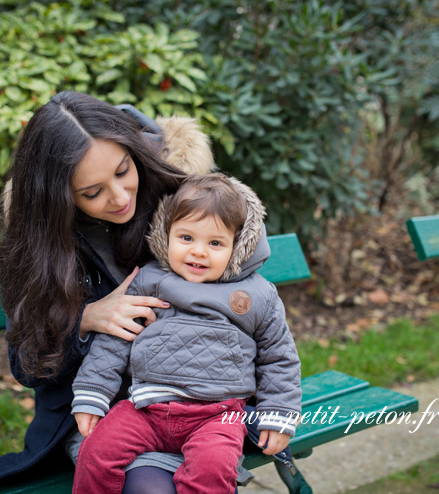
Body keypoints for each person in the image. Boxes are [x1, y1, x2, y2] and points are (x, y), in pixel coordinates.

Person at [0, 90, 216, 492]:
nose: (121, 197)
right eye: (92, 193)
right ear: (59, 198)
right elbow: (26, 362)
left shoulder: (173, 188)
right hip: (101, 411)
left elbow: (238, 260)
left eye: (124, 171)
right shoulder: (37, 242)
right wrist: (86, 318)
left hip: (196, 394)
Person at [71, 173, 303, 494]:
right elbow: (115, 339)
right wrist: (92, 394)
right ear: (167, 234)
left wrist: (278, 415)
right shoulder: (150, 280)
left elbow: (279, 358)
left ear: (238, 246)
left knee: (213, 470)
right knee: (96, 452)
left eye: (215, 243)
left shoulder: (258, 295)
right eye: (186, 238)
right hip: (145, 409)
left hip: (217, 416)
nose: (198, 252)